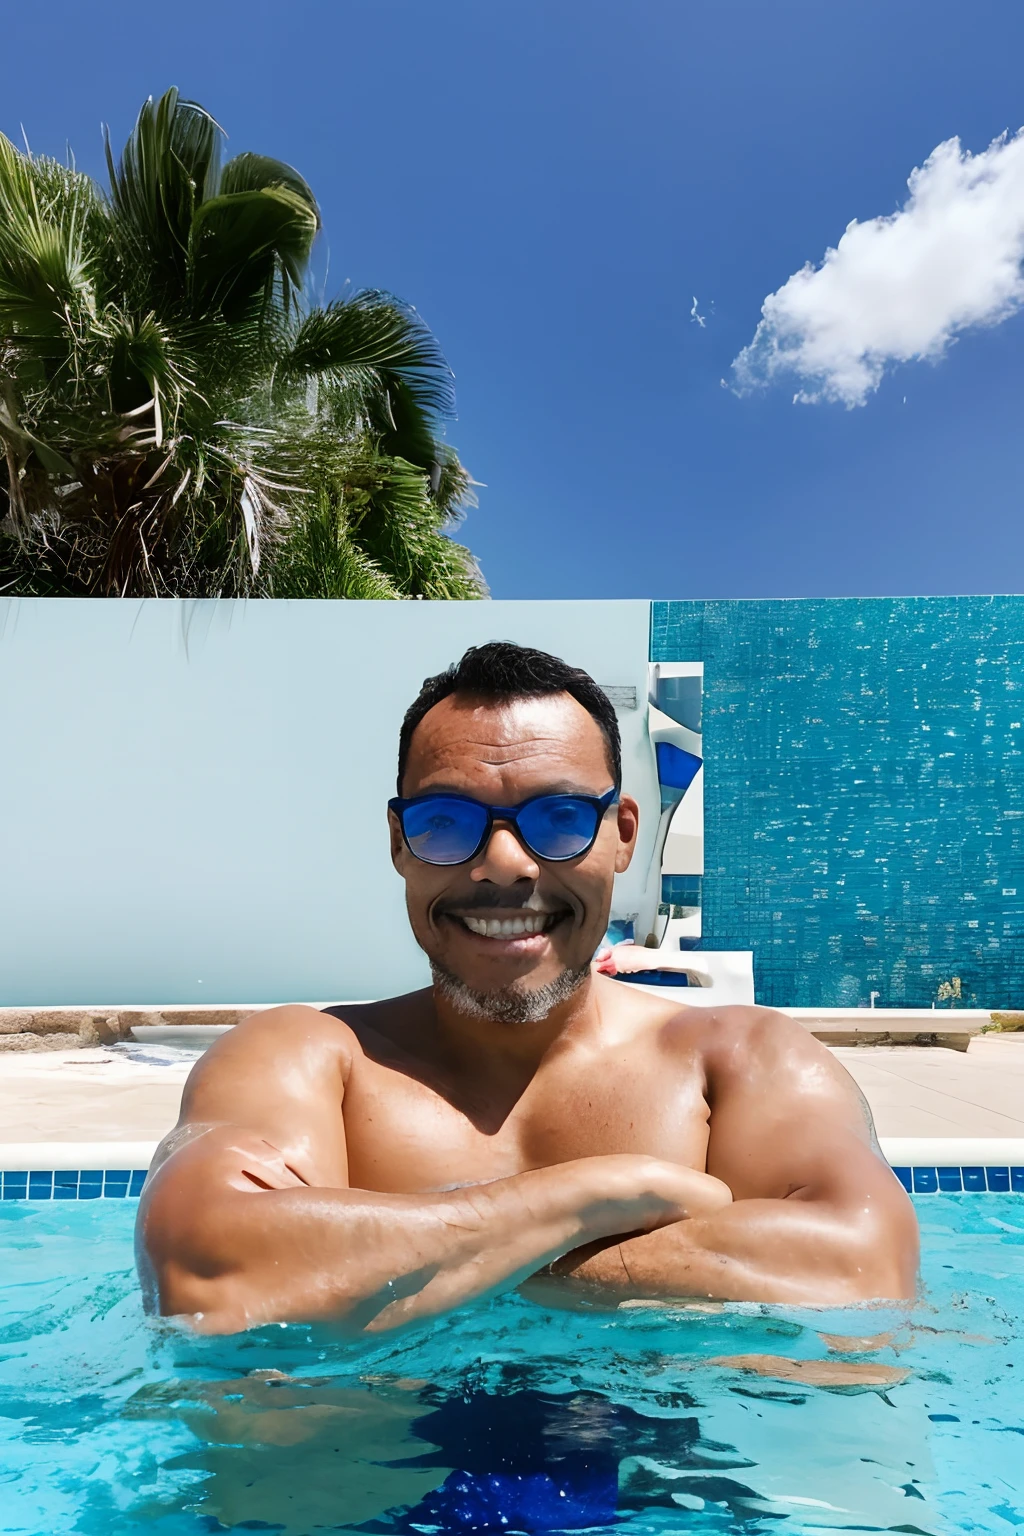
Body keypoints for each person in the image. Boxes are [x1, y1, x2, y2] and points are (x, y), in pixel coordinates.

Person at [137, 642, 918, 1335]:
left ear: (623, 837)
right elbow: (204, 1273)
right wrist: (603, 1191)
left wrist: (390, 1267)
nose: (505, 863)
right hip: (358, 1494)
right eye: (446, 821)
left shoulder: (743, 1062)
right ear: (397, 843)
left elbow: (865, 1268)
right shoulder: (307, 1059)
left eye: (559, 816)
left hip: (675, 1494)